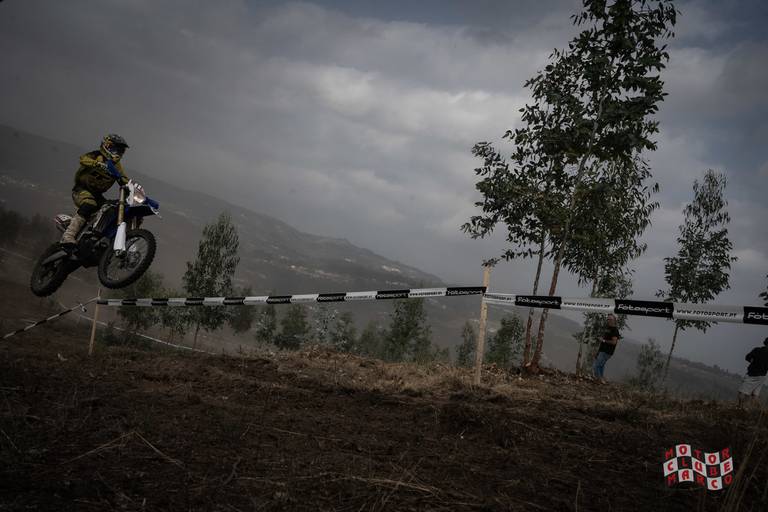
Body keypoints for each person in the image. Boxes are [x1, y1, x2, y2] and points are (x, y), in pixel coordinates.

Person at [60, 134, 130, 248]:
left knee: (111, 209)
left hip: (97, 195)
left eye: (120, 151)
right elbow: (83, 159)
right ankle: (68, 236)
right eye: (115, 149)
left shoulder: (117, 166)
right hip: (81, 190)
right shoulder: (96, 155)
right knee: (89, 204)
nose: (117, 153)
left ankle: (95, 235)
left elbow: (124, 178)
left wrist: (130, 186)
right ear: (107, 146)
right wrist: (97, 164)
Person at [738, 337, 768, 408]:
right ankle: (761, 411)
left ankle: (740, 408)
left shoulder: (757, 350)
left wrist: (753, 361)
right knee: (755, 395)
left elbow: (747, 357)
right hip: (762, 376)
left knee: (741, 392)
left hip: (752, 374)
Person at [593, 314, 620, 383]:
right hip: (602, 350)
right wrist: (598, 350)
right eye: (608, 319)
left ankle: (599, 379)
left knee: (596, 366)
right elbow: (603, 339)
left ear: (614, 320)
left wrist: (604, 340)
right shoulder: (608, 328)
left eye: (610, 319)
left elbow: (614, 342)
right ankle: (601, 379)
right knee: (601, 365)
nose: (608, 321)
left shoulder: (615, 330)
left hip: (607, 351)